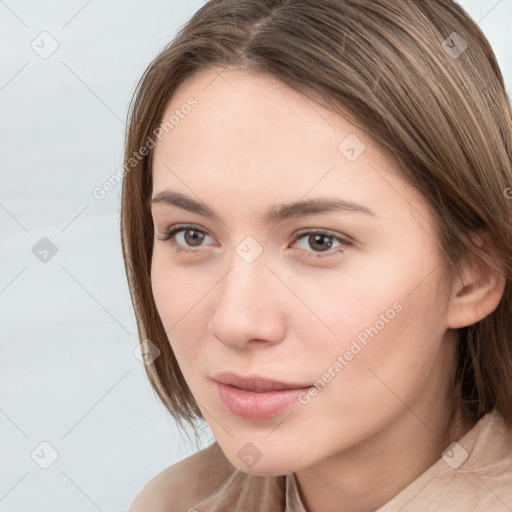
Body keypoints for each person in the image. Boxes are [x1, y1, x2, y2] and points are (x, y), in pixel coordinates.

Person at [121, 1, 512, 510]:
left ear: (473, 276)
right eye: (192, 235)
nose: (235, 322)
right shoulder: (173, 502)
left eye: (318, 241)